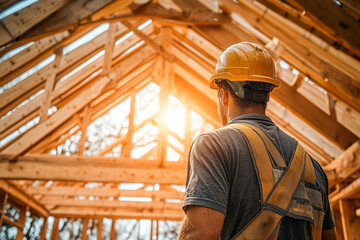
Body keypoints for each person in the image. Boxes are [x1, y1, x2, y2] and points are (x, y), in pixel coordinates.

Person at [178, 42, 336, 240]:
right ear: (267, 94)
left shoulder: (213, 147)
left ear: (223, 95)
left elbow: (201, 235)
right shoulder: (313, 167)